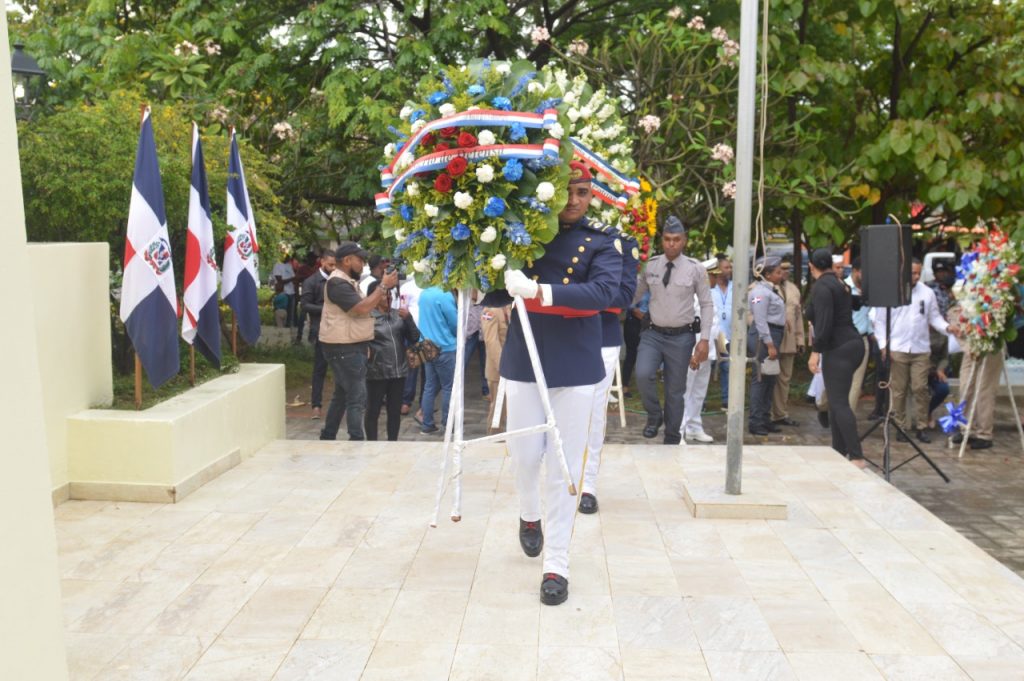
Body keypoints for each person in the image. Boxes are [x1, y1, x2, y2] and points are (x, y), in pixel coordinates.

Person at [485, 160, 619, 606]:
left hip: (577, 365)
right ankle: (528, 515)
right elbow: (495, 291)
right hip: (527, 360)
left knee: (565, 467)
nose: (576, 201)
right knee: (525, 456)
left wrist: (539, 292)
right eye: (569, 192)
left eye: (584, 193)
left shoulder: (602, 242)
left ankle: (556, 563)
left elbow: (603, 294)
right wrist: (480, 271)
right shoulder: (523, 235)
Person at [634, 216, 714, 444]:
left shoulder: (695, 269)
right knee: (642, 373)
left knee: (675, 391)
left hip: (681, 337)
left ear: (684, 241)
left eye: (676, 239)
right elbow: (635, 295)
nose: (671, 244)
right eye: (667, 239)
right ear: (662, 240)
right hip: (653, 333)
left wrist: (705, 339)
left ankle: (672, 437)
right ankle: (654, 415)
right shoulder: (651, 265)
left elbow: (707, 303)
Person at [579, 221, 639, 514]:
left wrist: (577, 293)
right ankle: (560, 476)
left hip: (601, 336)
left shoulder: (622, 242)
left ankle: (587, 484)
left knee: (592, 413)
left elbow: (624, 295)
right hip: (558, 333)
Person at [319, 241, 398, 441]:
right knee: (357, 396)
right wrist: (383, 286)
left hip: (349, 344)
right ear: (347, 260)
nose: (363, 265)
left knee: (342, 394)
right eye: (360, 260)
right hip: (344, 346)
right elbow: (361, 309)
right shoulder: (337, 283)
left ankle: (328, 436)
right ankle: (356, 441)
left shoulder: (344, 281)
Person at [872, 258, 954, 443]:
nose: (915, 276)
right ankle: (900, 427)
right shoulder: (891, 291)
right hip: (898, 348)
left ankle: (921, 426)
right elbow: (879, 321)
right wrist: (884, 345)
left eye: (918, 273)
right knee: (899, 390)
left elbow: (934, 318)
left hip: (920, 348)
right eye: (912, 273)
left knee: (920, 388)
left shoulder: (927, 293)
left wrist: (948, 328)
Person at [805, 248, 867, 467]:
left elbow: (824, 324)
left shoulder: (823, 286)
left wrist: (815, 352)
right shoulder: (840, 283)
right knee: (835, 400)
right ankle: (839, 450)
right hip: (853, 344)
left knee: (839, 402)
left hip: (839, 347)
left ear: (812, 266)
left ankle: (857, 455)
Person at [364, 282, 420, 441]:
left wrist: (408, 319)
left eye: (389, 293)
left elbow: (414, 338)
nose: (387, 296)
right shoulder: (367, 317)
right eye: (382, 293)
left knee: (394, 411)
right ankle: (372, 443)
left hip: (398, 371)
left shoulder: (397, 315)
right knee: (373, 410)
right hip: (377, 371)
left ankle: (392, 443)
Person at [681, 258, 722, 443]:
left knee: (699, 392)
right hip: (692, 350)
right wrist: (691, 353)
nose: (715, 280)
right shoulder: (692, 296)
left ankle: (694, 427)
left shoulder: (712, 295)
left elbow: (715, 325)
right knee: (684, 391)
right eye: (713, 276)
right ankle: (679, 430)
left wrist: (723, 346)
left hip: (708, 351)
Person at [747, 257, 787, 436]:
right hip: (764, 337)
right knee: (760, 379)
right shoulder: (759, 293)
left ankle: (765, 418)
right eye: (777, 272)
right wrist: (769, 343)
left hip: (773, 334)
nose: (781, 275)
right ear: (767, 274)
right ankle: (755, 422)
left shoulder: (770, 290)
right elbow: (760, 320)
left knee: (770, 378)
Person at [417, 286, 458, 434]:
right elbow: (455, 322)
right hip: (444, 346)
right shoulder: (444, 294)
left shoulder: (424, 293)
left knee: (429, 386)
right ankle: (448, 424)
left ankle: (427, 424)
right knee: (448, 387)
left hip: (426, 345)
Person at [300, 251, 336, 419]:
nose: (333, 268)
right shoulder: (311, 282)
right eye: (330, 264)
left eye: (335, 264)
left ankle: (342, 405)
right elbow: (305, 305)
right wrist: (326, 310)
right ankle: (316, 405)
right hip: (321, 331)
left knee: (342, 369)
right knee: (319, 369)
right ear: (322, 262)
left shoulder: (338, 280)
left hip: (340, 331)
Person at [771, 256, 805, 427]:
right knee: (767, 377)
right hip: (769, 340)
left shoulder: (794, 289)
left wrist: (800, 340)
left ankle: (780, 413)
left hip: (789, 340)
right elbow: (750, 311)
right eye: (780, 269)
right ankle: (765, 413)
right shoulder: (759, 289)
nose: (784, 272)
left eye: (787, 269)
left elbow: (798, 316)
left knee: (784, 378)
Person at [481, 301, 511, 430]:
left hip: (512, 368)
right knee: (498, 412)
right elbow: (491, 341)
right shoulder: (490, 311)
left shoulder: (510, 306)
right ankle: (494, 440)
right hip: (498, 371)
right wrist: (503, 367)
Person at [399, 274, 424, 415]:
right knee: (411, 368)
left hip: (427, 333)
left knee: (427, 372)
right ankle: (406, 401)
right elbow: (402, 309)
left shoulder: (432, 285)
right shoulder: (406, 287)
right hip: (411, 333)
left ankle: (423, 403)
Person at [712, 254, 733, 406]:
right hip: (714, 333)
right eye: (726, 267)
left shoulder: (736, 286)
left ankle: (726, 400)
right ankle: (701, 402)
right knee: (706, 367)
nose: (730, 270)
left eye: (730, 267)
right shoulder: (710, 288)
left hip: (729, 334)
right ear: (718, 270)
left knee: (727, 367)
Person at [621, 290, 648, 395]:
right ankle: (625, 387)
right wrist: (646, 318)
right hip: (634, 322)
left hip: (650, 323)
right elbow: (631, 308)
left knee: (646, 356)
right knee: (631, 354)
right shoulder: (638, 286)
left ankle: (644, 387)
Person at [463, 290, 489, 398]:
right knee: (463, 359)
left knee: (485, 361)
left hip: (485, 323)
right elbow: (473, 298)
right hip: (472, 326)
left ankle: (486, 390)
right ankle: (455, 387)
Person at [293, 251, 317, 344]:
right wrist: (297, 294)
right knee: (302, 318)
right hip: (306, 296)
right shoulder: (302, 268)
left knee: (314, 319)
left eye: (315, 259)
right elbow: (296, 280)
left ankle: (311, 338)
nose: (315, 260)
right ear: (309, 259)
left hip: (315, 298)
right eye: (313, 258)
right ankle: (299, 337)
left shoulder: (316, 269)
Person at [271, 252, 297, 327]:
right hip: (283, 293)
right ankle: (282, 333)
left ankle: (290, 332)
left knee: (291, 315)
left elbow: (294, 279)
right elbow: (280, 280)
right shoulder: (277, 265)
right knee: (281, 315)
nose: (288, 258)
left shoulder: (289, 266)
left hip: (291, 293)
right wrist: (292, 278)